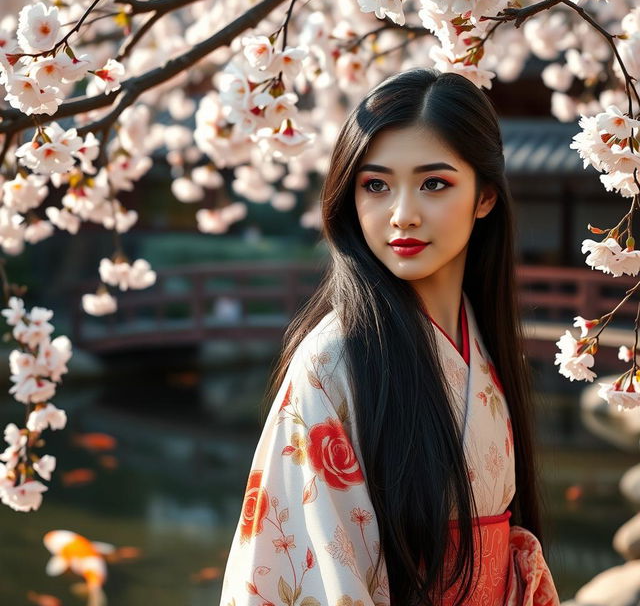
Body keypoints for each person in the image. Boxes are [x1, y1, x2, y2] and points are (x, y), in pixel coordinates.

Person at [218, 68, 561, 606]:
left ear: (485, 196)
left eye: (435, 183)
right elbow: (319, 575)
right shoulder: (334, 363)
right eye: (375, 185)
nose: (403, 215)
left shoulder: (481, 337)